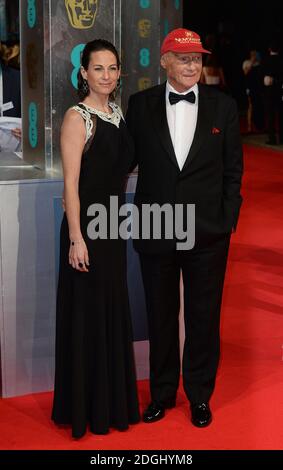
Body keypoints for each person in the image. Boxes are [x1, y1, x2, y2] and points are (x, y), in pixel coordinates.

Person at [126, 28, 243, 428]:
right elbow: (123, 159)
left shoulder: (224, 107)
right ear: (164, 61)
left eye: (197, 59)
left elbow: (233, 171)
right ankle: (161, 393)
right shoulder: (139, 105)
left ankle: (199, 395)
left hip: (208, 233)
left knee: (203, 317)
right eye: (183, 58)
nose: (193, 65)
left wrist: (227, 220)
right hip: (155, 228)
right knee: (160, 315)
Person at [51, 39, 140, 438]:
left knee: (110, 311)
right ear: (83, 73)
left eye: (113, 68)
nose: (106, 75)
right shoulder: (77, 117)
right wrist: (75, 238)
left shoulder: (118, 114)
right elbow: (70, 185)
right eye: (98, 68)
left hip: (112, 229)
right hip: (86, 230)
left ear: (120, 73)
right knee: (88, 316)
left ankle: (111, 403)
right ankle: (88, 409)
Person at [262, 40, 283, 145]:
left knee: (270, 115)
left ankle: (272, 138)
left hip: (269, 90)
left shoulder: (266, 60)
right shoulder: (281, 60)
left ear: (269, 49)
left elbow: (263, 75)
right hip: (280, 89)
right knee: (281, 114)